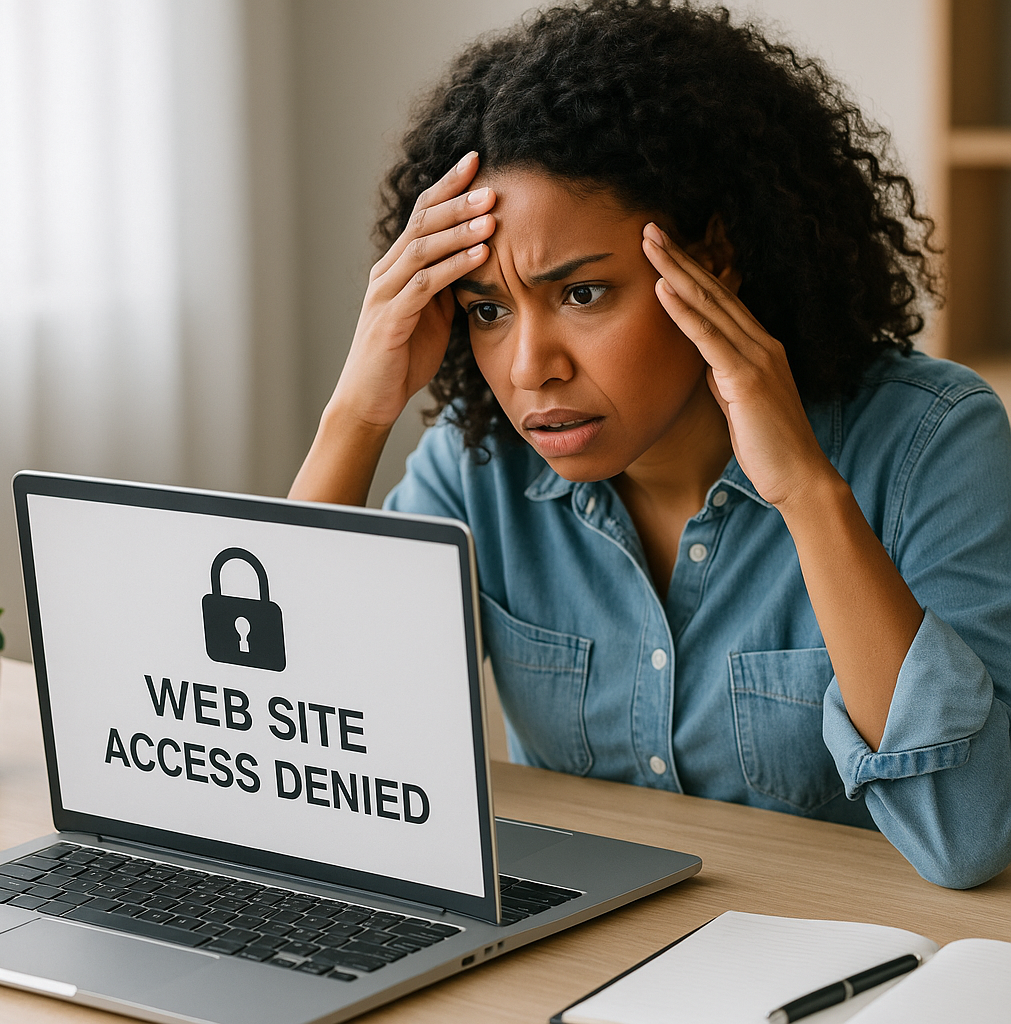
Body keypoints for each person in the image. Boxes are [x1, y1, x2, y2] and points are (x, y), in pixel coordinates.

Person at [290, 0, 1011, 888]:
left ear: (714, 260)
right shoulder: (478, 468)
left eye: (583, 294)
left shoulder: (930, 443)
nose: (529, 369)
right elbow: (301, 756)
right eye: (486, 310)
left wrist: (808, 496)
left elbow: (966, 836)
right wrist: (354, 418)